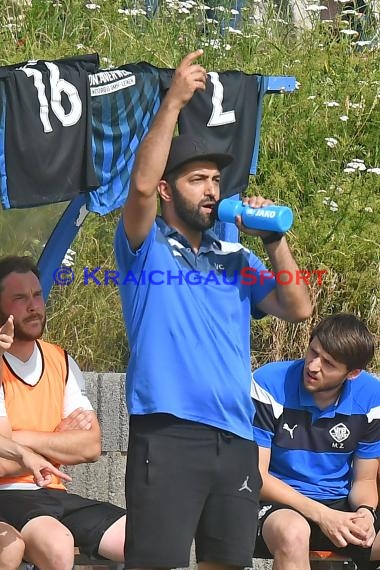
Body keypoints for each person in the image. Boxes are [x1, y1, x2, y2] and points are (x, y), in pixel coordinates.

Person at [114, 49, 312, 570]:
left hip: (237, 438)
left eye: (216, 181)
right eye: (196, 179)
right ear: (167, 190)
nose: (210, 190)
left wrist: (275, 242)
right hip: (169, 431)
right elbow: (137, 187)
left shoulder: (237, 257)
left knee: (227, 563)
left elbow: (298, 308)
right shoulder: (146, 247)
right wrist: (175, 100)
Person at [0, 255, 126, 570]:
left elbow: (91, 446)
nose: (33, 306)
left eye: (37, 295)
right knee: (58, 545)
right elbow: (2, 460)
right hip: (8, 495)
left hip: (54, 491)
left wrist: (21, 438)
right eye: (19, 298)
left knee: (147, 539)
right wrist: (56, 439)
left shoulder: (60, 361)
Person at [251, 313, 380, 570]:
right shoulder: (268, 383)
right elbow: (257, 475)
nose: (313, 366)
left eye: (329, 364)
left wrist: (365, 512)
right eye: (313, 352)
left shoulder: (371, 396)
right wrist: (324, 516)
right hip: (280, 504)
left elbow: (364, 480)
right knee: (293, 533)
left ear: (352, 373)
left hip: (340, 505)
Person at [0, 314, 73, 570]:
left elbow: (92, 446)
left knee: (10, 546)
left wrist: (23, 452)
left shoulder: (57, 360)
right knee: (11, 549)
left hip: (39, 496)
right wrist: (53, 448)